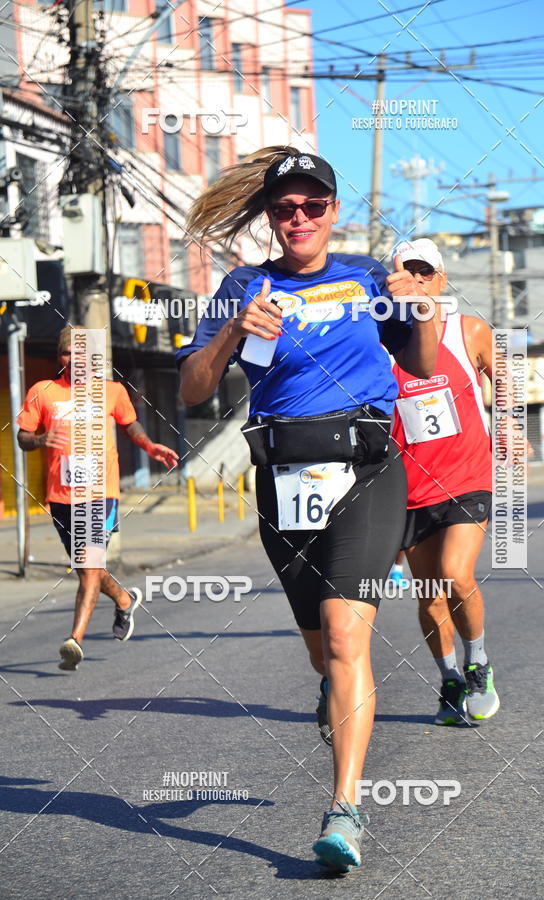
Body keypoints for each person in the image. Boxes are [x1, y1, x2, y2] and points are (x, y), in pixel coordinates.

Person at [177, 146, 438, 871]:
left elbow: (418, 362)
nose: (299, 218)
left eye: (312, 205)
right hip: (283, 481)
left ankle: (344, 810)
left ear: (332, 211)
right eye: (285, 207)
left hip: (367, 471)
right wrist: (235, 330)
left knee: (345, 633)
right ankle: (333, 689)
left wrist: (423, 307)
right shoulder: (242, 286)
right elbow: (193, 391)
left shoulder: (365, 277)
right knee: (324, 651)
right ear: (270, 216)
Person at [17, 326, 179, 671]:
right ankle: (124, 598)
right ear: (59, 358)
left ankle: (74, 640)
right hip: (61, 496)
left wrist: (150, 446)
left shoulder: (112, 391)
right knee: (86, 568)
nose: (73, 360)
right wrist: (42, 440)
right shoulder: (42, 392)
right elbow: (23, 436)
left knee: (89, 568)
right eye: (66, 354)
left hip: (100, 493)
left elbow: (130, 424)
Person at [390, 238, 499, 726]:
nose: (416, 281)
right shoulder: (382, 341)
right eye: (405, 273)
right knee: (430, 593)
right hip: (409, 487)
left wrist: (515, 427)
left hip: (468, 476)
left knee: (456, 573)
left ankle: (478, 663)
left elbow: (509, 377)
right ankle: (450, 679)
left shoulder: (468, 330)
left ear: (442, 278)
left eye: (425, 272)